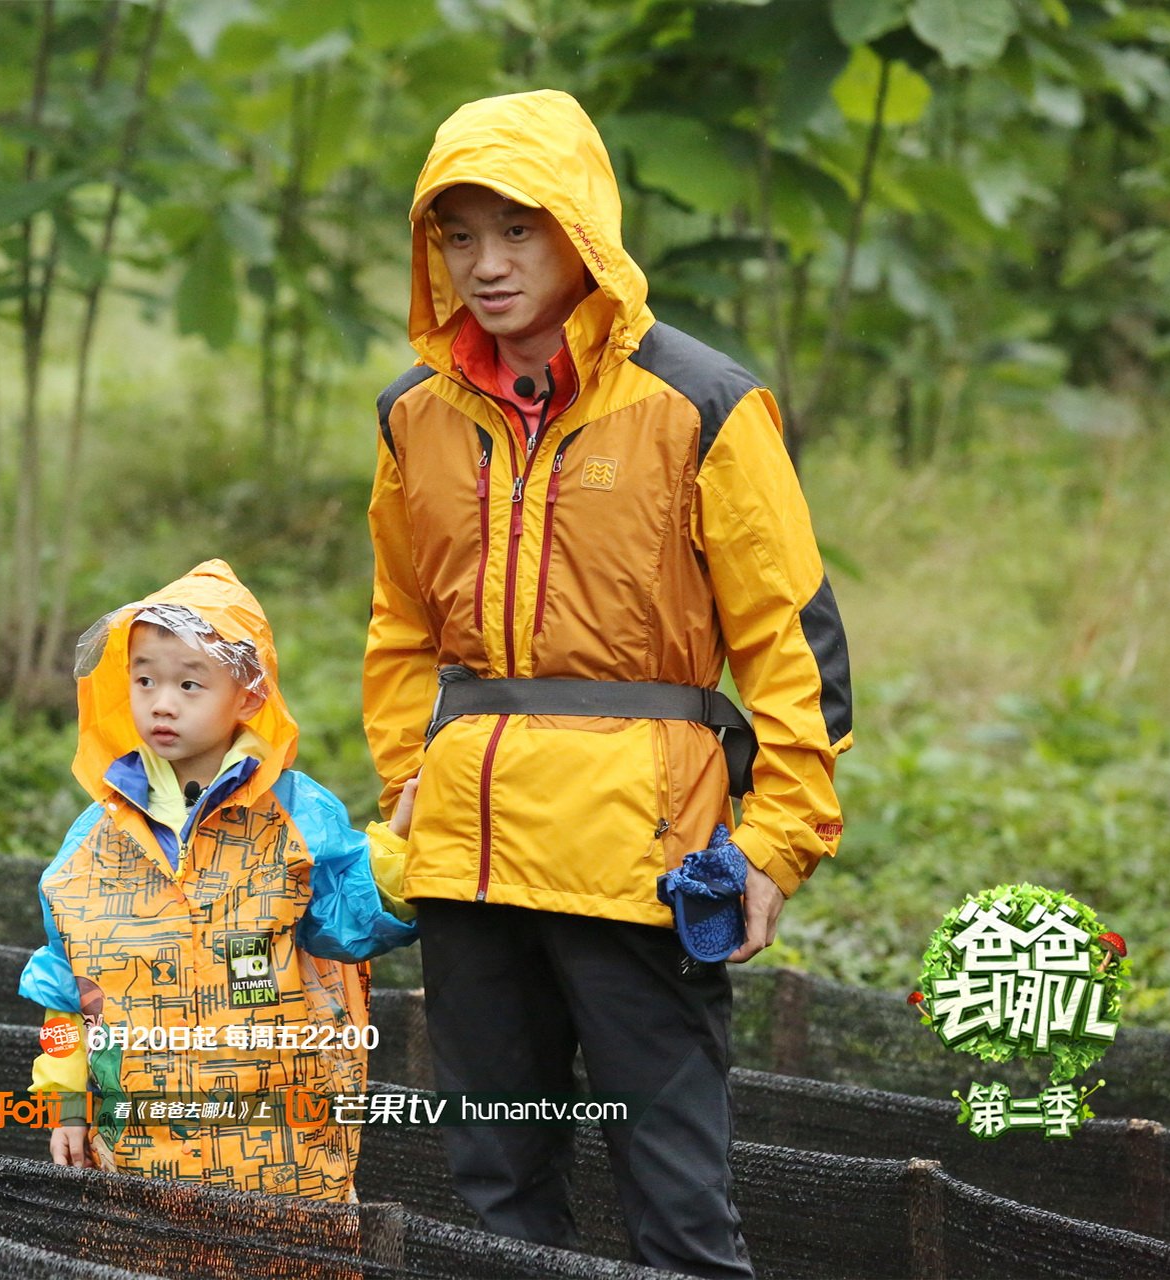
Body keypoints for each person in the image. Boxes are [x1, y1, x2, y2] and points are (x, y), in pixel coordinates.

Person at [362, 90, 853, 1277]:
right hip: (469, 849)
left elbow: (790, 643)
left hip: (639, 852)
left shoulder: (699, 402)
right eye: (457, 236)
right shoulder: (413, 417)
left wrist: (775, 843)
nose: (485, 265)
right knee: (495, 1177)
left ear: (581, 229)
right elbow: (400, 628)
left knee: (672, 1192)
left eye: (516, 232)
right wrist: (408, 779)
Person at [18, 559, 419, 1202]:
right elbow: (65, 987)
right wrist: (66, 1101)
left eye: (189, 684)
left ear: (250, 694)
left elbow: (353, 924)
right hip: (138, 1174)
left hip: (288, 1166)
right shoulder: (91, 842)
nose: (162, 702)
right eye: (144, 680)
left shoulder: (296, 816)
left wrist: (397, 847)